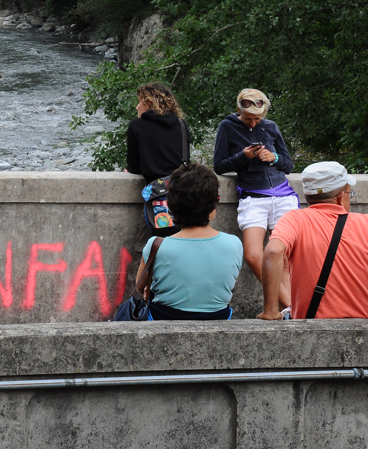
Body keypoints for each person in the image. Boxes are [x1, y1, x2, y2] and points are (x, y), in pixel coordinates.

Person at [257, 161, 368, 320]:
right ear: (340, 197)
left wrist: (270, 311)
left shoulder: (294, 219)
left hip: (309, 330)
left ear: (308, 195)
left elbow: (273, 252)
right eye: (349, 193)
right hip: (364, 329)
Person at [213, 88, 295, 308]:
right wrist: (243, 156)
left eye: (257, 119)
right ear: (238, 110)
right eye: (248, 118)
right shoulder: (227, 126)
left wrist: (273, 157)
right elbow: (219, 165)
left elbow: (288, 165)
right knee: (252, 254)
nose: (253, 123)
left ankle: (287, 311)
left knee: (284, 257)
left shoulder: (271, 127)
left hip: (282, 194)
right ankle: (291, 306)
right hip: (253, 195)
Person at [134, 163, 243, 319]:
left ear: (170, 205)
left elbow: (140, 288)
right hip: (218, 323)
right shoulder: (234, 244)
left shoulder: (156, 246)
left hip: (162, 324)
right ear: (216, 202)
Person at [125, 82, 191, 183]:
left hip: (158, 188)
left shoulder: (136, 125)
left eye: (139, 102)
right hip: (182, 187)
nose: (137, 107)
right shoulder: (182, 124)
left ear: (148, 103)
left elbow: (134, 167)